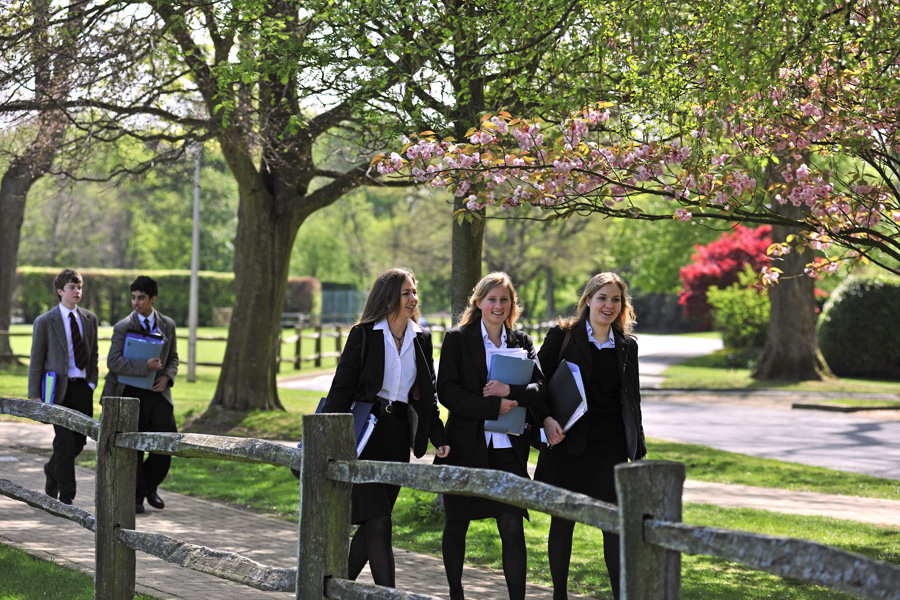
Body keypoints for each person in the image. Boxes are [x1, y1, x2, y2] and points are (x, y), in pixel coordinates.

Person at [320, 268, 450, 588]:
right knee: (379, 522)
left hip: (397, 437)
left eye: (414, 292)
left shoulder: (422, 338)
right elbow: (341, 389)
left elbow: (426, 395)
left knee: (373, 524)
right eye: (406, 293)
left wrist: (439, 437)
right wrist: (327, 439)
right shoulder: (364, 334)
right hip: (365, 435)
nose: (413, 298)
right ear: (389, 297)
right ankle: (387, 596)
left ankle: (331, 588)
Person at [435, 272, 560, 600]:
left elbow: (541, 387)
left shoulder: (521, 341)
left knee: (512, 524)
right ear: (478, 302)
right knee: (457, 522)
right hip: (465, 445)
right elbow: (446, 391)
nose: (498, 305)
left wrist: (512, 391)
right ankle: (456, 594)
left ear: (512, 305)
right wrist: (493, 406)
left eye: (505, 299)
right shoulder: (457, 339)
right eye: (492, 299)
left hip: (508, 450)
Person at [535, 272, 647, 600]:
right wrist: (545, 420)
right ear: (587, 301)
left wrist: (637, 450)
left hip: (610, 449)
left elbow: (632, 401)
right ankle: (559, 595)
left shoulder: (627, 346)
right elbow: (537, 385)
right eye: (602, 298)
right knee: (563, 523)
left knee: (613, 526)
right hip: (567, 445)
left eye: (615, 300)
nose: (608, 305)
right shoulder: (563, 336)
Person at [103, 276, 179, 514]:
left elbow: (173, 358)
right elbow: (113, 362)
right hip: (129, 394)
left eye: (141, 298)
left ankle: (148, 487)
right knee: (133, 448)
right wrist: (144, 366)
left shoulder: (168, 324)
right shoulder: (122, 326)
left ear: (152, 299)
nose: (135, 303)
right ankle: (136, 497)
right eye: (133, 297)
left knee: (166, 444)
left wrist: (167, 376)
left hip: (158, 394)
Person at [28, 269, 99, 505]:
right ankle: (67, 496)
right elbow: (36, 360)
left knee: (79, 440)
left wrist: (91, 383)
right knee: (65, 442)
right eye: (72, 287)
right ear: (60, 291)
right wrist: (35, 395)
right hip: (57, 389)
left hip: (82, 389)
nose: (77, 291)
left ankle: (51, 469)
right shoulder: (45, 321)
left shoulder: (89, 319)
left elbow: (94, 355)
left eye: (79, 287)